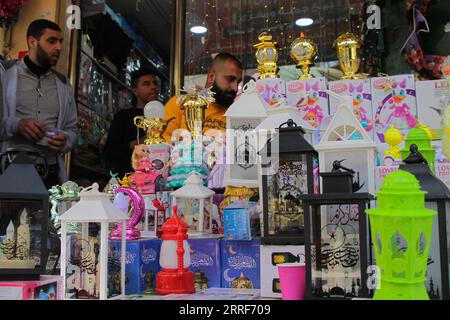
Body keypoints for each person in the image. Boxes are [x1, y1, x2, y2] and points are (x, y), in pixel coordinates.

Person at [0, 19, 78, 189]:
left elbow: (72, 130)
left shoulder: (63, 84)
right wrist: (17, 125)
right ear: (32, 42)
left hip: (50, 173)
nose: (58, 47)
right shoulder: (5, 74)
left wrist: (65, 141)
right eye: (52, 41)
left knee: (48, 215)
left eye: (60, 42)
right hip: (10, 166)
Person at [162, 52, 243, 142]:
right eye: (230, 79)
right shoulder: (179, 103)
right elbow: (161, 140)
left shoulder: (234, 117)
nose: (235, 88)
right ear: (211, 77)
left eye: (238, 82)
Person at [103, 68, 160, 178]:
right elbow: (109, 152)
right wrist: (136, 144)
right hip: (130, 179)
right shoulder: (123, 117)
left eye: (155, 83)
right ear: (135, 90)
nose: (153, 87)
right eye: (146, 84)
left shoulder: (165, 116)